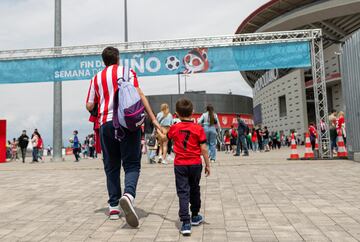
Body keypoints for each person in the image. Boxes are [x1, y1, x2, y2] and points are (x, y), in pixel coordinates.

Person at [86, 46, 160, 226]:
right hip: (127, 123)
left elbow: (89, 105)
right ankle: (128, 195)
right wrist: (154, 120)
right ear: (118, 58)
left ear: (103, 61)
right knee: (132, 164)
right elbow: (139, 94)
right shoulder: (128, 72)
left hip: (105, 124)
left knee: (111, 166)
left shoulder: (96, 78)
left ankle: (113, 207)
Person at [157, 98, 210, 236]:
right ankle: (195, 215)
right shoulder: (198, 128)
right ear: (193, 112)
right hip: (195, 164)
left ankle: (185, 222)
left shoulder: (175, 128)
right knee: (195, 188)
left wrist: (160, 131)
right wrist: (208, 164)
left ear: (177, 114)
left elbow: (164, 139)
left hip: (180, 165)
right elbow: (204, 148)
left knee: (183, 192)